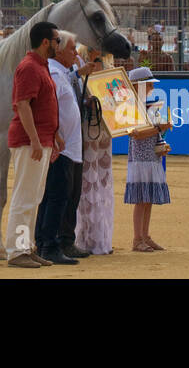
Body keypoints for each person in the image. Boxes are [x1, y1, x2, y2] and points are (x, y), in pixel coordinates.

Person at [4, 20, 62, 268]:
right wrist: (37, 140)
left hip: (39, 140)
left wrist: (53, 137)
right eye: (57, 40)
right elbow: (23, 105)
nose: (59, 44)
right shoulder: (29, 67)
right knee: (25, 197)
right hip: (30, 141)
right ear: (45, 42)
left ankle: (26, 247)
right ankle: (17, 251)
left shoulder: (39, 65)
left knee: (33, 197)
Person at [34, 34, 84, 265]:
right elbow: (46, 107)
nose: (76, 53)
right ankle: (49, 245)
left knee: (63, 197)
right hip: (60, 148)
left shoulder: (62, 73)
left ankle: (51, 243)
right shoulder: (53, 73)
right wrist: (54, 135)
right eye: (73, 49)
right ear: (60, 50)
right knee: (56, 198)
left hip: (70, 147)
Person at [124, 66, 171, 252]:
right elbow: (136, 134)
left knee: (147, 198)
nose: (151, 86)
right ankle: (138, 238)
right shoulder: (134, 105)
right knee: (143, 199)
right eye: (148, 83)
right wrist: (160, 128)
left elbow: (142, 133)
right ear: (139, 85)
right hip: (142, 157)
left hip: (149, 155)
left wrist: (160, 135)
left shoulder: (142, 104)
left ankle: (144, 236)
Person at [73, 55, 115, 255]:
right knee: (87, 186)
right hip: (88, 135)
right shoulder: (79, 79)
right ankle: (84, 238)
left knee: (102, 185)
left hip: (104, 136)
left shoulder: (111, 79)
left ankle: (100, 238)